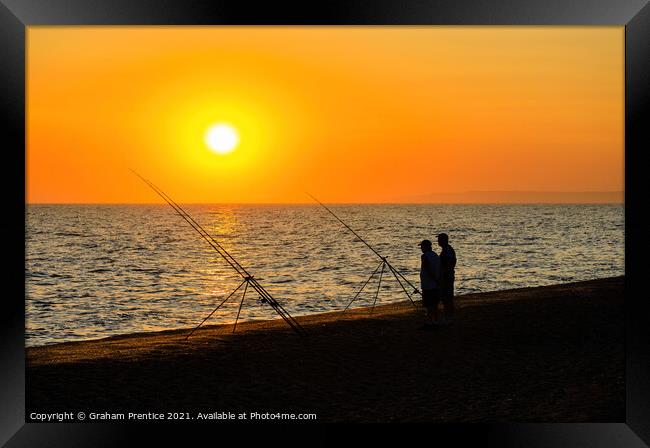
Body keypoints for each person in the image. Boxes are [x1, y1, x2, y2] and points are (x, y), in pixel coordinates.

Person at [418, 239, 441, 330]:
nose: (421, 249)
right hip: (435, 284)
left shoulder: (424, 256)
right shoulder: (435, 255)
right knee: (434, 304)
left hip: (428, 284)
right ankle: (435, 321)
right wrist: (438, 281)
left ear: (426, 247)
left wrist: (434, 279)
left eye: (422, 247)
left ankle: (430, 322)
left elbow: (427, 269)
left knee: (428, 304)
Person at [437, 233, 457, 325]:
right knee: (446, 297)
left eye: (440, 239)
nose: (438, 241)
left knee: (447, 297)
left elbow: (450, 263)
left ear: (444, 240)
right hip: (447, 276)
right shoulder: (446, 250)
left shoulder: (447, 250)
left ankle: (449, 317)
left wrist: (444, 274)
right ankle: (448, 316)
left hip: (447, 277)